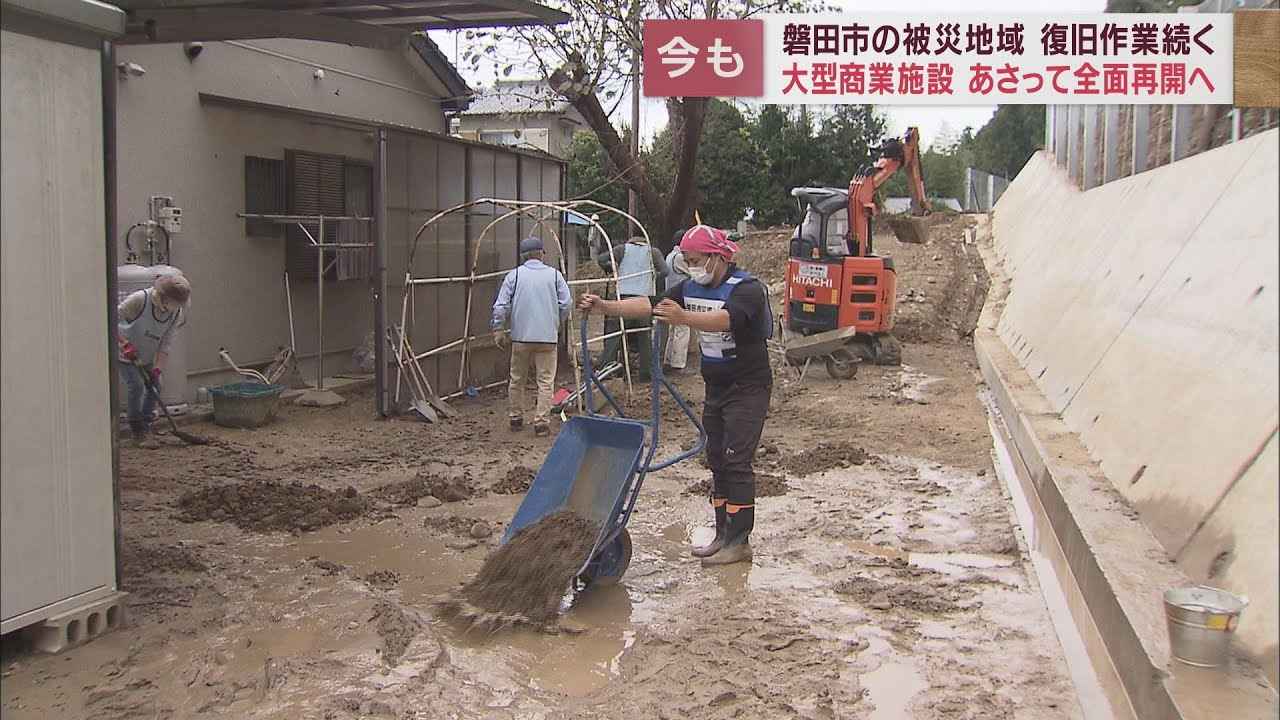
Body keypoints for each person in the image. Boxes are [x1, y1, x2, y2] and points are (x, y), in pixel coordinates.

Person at [578, 225, 773, 566]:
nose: (692, 266)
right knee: (716, 458)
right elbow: (651, 304)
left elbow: (727, 320)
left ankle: (740, 541)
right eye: (687, 260)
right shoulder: (691, 286)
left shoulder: (747, 289)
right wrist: (605, 306)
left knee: (736, 460)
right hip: (717, 387)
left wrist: (684, 317)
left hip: (748, 387)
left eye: (696, 261)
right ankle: (722, 535)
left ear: (717, 258)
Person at [491, 235, 572, 437]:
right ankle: (541, 422)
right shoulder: (555, 275)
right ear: (542, 254)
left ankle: (516, 417)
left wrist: (498, 328)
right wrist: (556, 322)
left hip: (521, 337)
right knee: (545, 381)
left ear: (523, 256)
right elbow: (567, 303)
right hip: (547, 338)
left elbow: (501, 306)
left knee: (517, 379)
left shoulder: (514, 276)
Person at [117, 273, 190, 448]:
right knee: (136, 385)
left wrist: (157, 369)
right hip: (124, 353)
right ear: (164, 298)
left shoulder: (175, 313)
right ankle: (137, 428)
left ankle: (147, 423)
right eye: (175, 302)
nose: (177, 306)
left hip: (147, 355)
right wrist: (124, 344)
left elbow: (165, 344)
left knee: (156, 385)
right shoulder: (140, 300)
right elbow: (110, 320)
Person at [593, 233, 669, 379]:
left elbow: (601, 259)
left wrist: (612, 267)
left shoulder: (621, 249)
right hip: (643, 299)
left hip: (623, 297)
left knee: (614, 335)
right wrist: (652, 278)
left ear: (631, 241)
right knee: (644, 336)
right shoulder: (653, 252)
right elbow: (665, 271)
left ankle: (607, 369)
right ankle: (646, 372)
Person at [663, 229, 692, 373]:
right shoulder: (680, 258)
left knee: (672, 331)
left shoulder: (670, 256)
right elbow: (693, 273)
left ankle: (668, 360)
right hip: (681, 298)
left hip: (671, 296)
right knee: (682, 331)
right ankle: (678, 364)